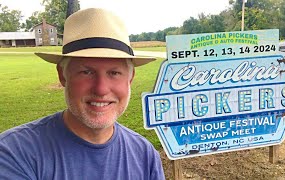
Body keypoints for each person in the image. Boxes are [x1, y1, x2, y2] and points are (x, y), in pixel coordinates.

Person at [0, 8, 165, 180]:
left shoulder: (145, 156)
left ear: (130, 79)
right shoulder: (15, 154)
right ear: (63, 75)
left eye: (114, 73)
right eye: (86, 72)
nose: (101, 89)